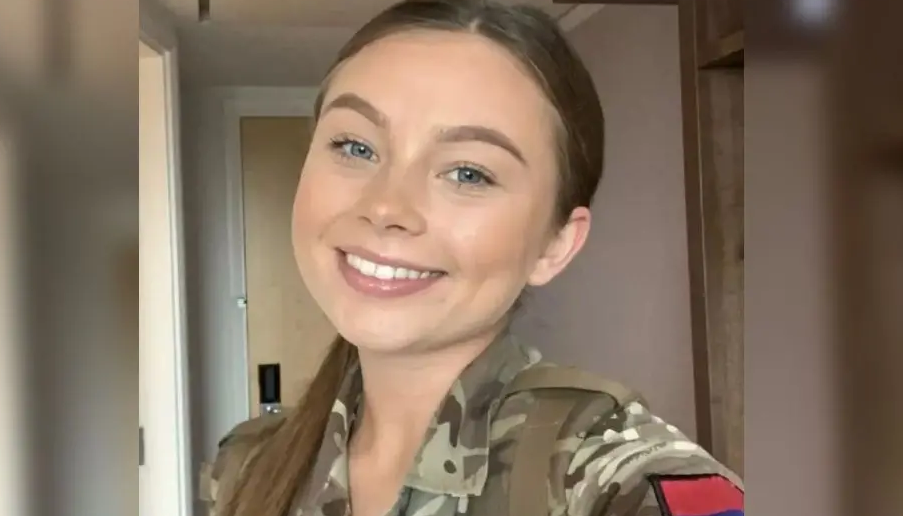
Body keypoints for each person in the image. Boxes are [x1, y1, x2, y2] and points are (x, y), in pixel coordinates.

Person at [200, 1, 745, 515]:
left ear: (556, 245)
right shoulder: (246, 466)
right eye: (355, 147)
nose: (387, 206)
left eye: (468, 173)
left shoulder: (614, 482)